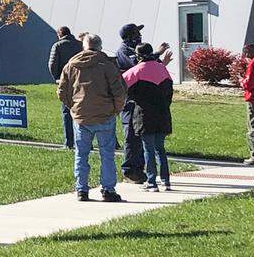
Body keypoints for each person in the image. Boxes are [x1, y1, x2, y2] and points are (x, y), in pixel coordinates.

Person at [59, 33, 126, 202]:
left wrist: (73, 107)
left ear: (84, 46)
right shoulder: (107, 65)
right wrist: (115, 110)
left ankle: (82, 189)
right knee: (107, 155)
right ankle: (108, 190)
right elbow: (119, 92)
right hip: (104, 115)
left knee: (81, 154)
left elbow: (62, 92)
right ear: (99, 46)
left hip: (81, 116)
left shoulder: (71, 65)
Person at [114, 23, 171, 184]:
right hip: (131, 101)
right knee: (131, 136)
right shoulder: (124, 51)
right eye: (136, 34)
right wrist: (157, 55)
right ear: (129, 36)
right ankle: (131, 170)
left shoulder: (135, 50)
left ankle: (143, 171)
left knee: (143, 139)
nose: (139, 36)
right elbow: (139, 68)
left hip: (142, 103)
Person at [122, 43, 174, 192]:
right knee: (160, 149)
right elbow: (170, 92)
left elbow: (121, 86)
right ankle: (166, 181)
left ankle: (152, 182)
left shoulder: (135, 71)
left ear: (138, 56)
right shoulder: (162, 69)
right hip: (163, 114)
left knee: (148, 150)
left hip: (144, 116)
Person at [48, 26, 81, 149]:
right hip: (81, 82)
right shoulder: (80, 45)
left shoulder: (57, 46)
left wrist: (57, 78)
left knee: (67, 111)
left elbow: (52, 64)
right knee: (81, 111)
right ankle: (82, 141)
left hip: (66, 82)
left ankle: (69, 142)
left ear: (59, 35)